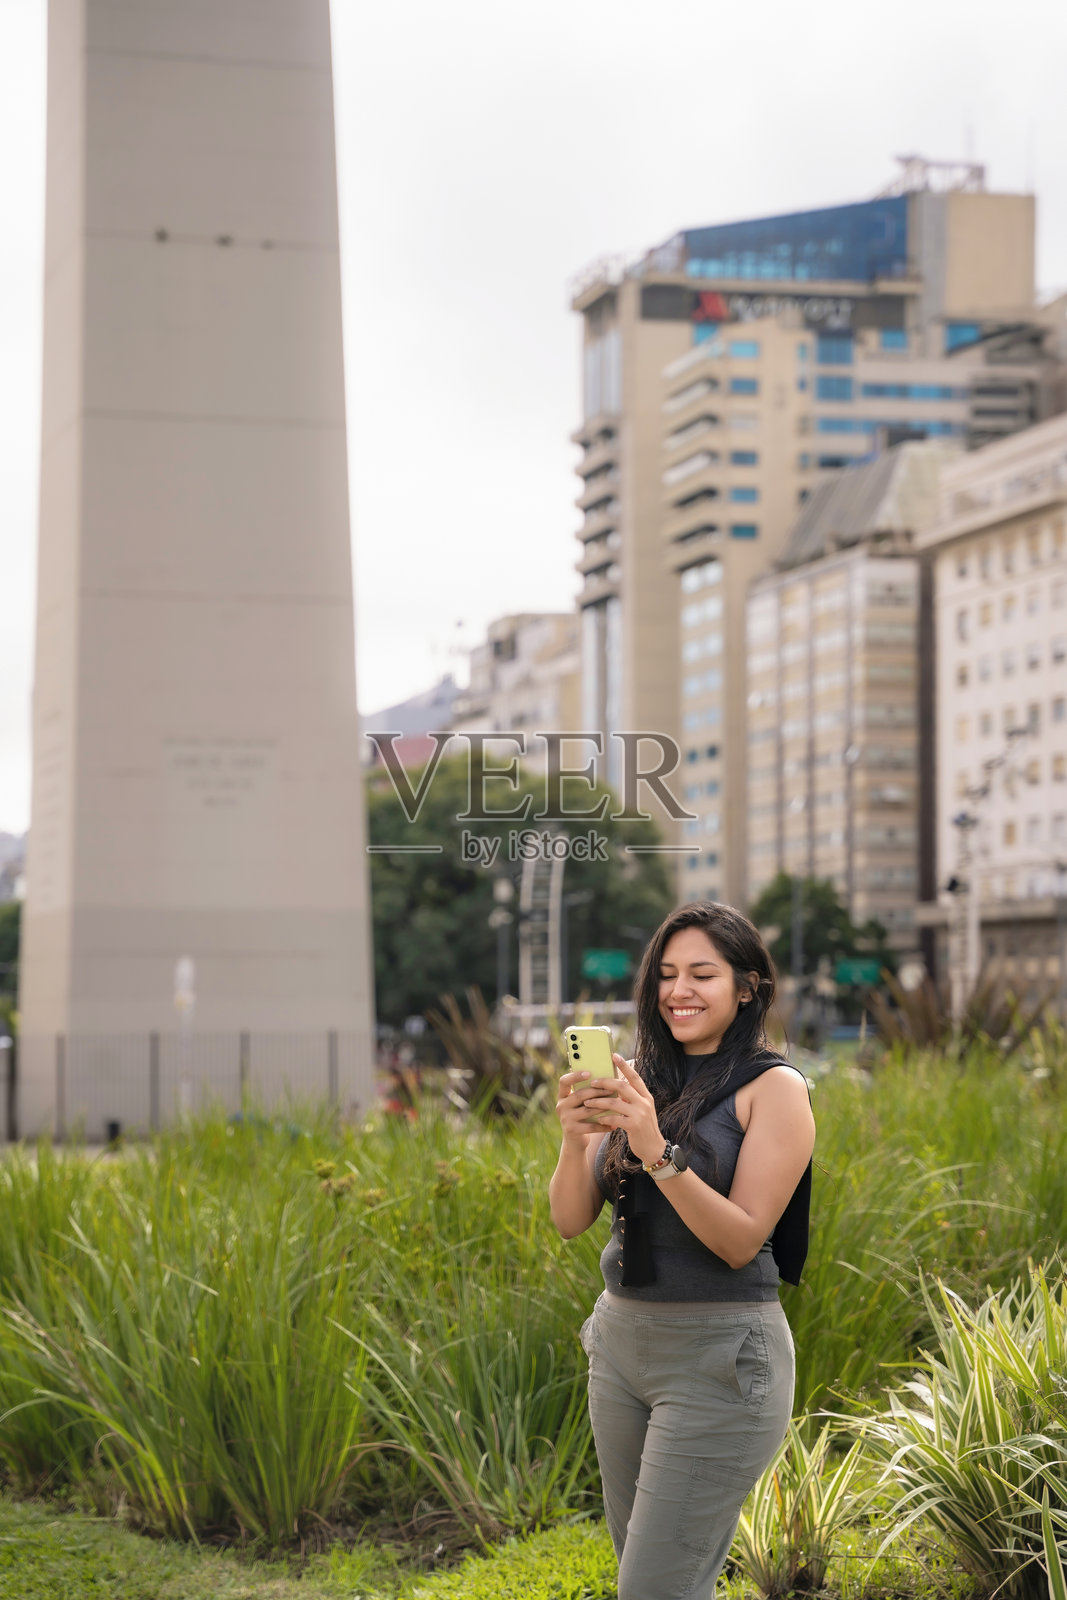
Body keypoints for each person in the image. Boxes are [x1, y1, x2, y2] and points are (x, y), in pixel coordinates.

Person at [549, 901, 816, 1600]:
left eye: (701, 973)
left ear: (747, 987)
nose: (677, 991)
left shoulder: (774, 1089)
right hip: (619, 1349)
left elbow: (739, 1241)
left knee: (652, 1589)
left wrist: (653, 1150)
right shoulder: (639, 1077)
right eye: (666, 974)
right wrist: (577, 1137)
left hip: (720, 1359)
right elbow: (570, 1218)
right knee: (657, 1581)